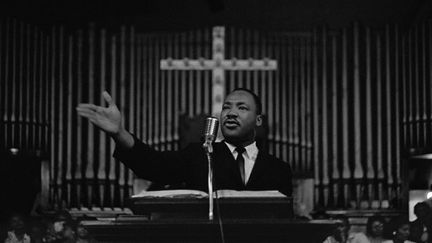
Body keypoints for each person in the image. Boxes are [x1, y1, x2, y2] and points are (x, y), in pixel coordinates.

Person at [76, 88, 292, 195]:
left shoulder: (279, 170)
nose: (231, 113)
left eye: (242, 108)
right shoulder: (198, 155)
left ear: (259, 119)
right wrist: (120, 133)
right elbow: (154, 166)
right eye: (226, 107)